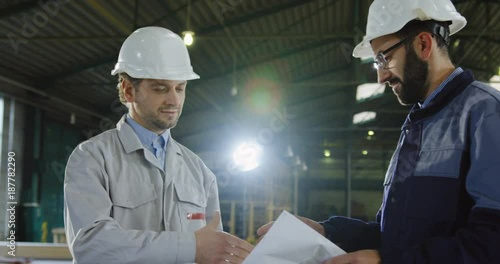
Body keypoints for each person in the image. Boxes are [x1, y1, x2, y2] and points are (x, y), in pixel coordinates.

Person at [258, 0, 500, 263]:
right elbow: (393, 237)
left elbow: (491, 243)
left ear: (423, 45)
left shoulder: (485, 112)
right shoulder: (418, 125)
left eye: (384, 58)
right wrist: (328, 231)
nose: (381, 77)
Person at [64, 26, 253, 264]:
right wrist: (189, 246)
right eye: (160, 88)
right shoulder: (92, 158)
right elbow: (91, 246)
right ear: (128, 89)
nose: (174, 99)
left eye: (180, 88)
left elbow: (211, 252)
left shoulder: (199, 171)